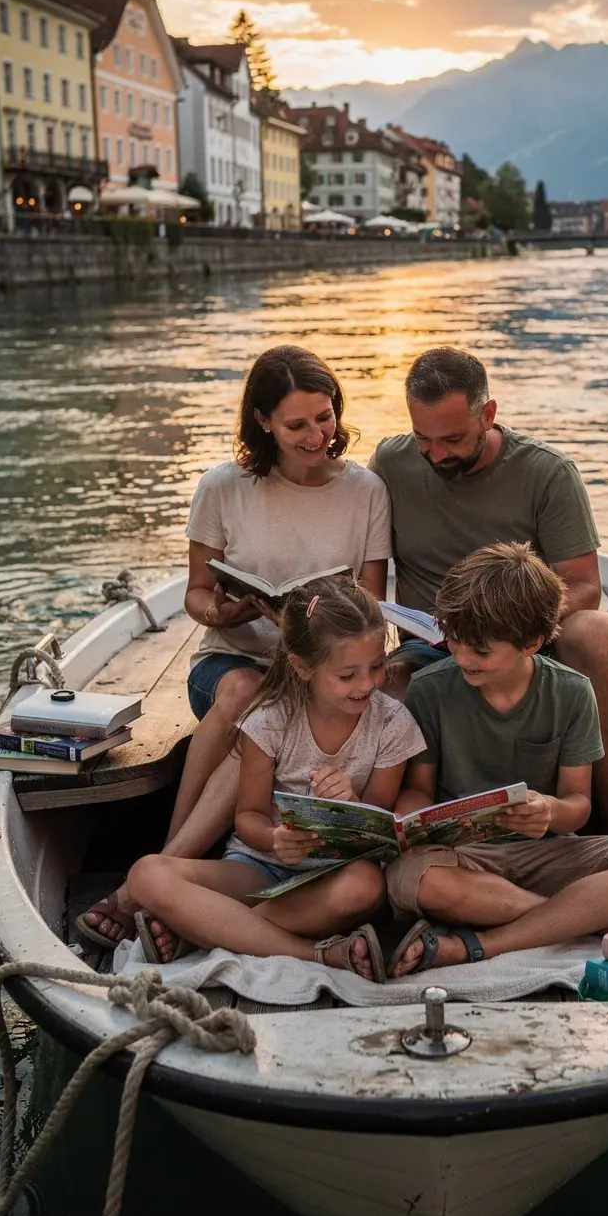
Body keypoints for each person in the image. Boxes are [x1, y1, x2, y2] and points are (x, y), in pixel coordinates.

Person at [78, 346, 392, 949]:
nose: (315, 436)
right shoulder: (222, 487)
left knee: (292, 701)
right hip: (236, 658)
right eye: (297, 424)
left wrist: (313, 620)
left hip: (320, 666)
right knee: (250, 696)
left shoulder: (366, 491)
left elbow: (371, 606)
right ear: (263, 421)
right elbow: (197, 595)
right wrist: (224, 610)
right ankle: (165, 866)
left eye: (324, 418)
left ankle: (160, 885)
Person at [386, 543, 608, 977]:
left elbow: (577, 807)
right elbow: (420, 787)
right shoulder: (430, 689)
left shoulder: (571, 692)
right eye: (453, 639)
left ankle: (485, 943)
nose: (460, 656)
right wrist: (402, 821)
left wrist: (550, 811)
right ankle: (580, 918)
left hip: (548, 855)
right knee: (410, 878)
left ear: (531, 643)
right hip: (465, 860)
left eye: (480, 650)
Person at [371, 346, 608, 834]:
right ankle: (395, 834)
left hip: (526, 636)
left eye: (452, 438)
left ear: (488, 413)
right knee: (387, 686)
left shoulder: (547, 473)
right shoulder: (390, 463)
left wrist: (509, 621)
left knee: (601, 635)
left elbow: (584, 585)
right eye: (422, 439)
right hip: (430, 645)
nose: (436, 454)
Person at [127, 578, 425, 977]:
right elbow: (248, 816)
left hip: (334, 878)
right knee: (146, 874)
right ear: (303, 666)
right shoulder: (268, 721)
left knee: (366, 886)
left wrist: (352, 805)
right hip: (260, 868)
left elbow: (379, 826)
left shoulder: (391, 722)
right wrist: (274, 839)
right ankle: (314, 954)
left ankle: (209, 929)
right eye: (348, 674)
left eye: (376, 666)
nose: (367, 684)